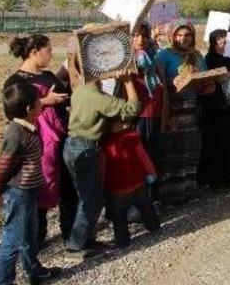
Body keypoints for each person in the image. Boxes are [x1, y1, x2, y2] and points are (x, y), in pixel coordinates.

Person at [4, 34, 76, 246]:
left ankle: (70, 232)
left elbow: (66, 94)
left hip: (61, 137)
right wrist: (44, 101)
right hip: (37, 143)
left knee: (67, 186)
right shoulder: (16, 81)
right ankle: (37, 237)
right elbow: (11, 112)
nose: (51, 54)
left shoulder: (48, 75)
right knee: (40, 188)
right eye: (48, 50)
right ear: (35, 52)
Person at [63, 74, 140, 261]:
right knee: (90, 200)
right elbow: (132, 109)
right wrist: (128, 82)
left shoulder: (80, 90)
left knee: (87, 197)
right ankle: (75, 247)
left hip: (73, 145)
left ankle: (86, 239)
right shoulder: (97, 97)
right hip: (85, 147)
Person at [0, 82, 60, 285]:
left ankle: (35, 271)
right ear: (30, 109)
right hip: (18, 194)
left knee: (29, 235)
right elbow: (2, 167)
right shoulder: (16, 133)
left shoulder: (27, 126)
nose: (42, 103)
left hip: (28, 192)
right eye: (39, 101)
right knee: (12, 240)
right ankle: (2, 281)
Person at [155, 20, 212, 205]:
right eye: (179, 35)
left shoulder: (196, 55)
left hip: (192, 108)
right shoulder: (163, 56)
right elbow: (159, 85)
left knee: (190, 150)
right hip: (173, 109)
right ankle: (170, 195)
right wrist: (175, 82)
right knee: (172, 151)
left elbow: (204, 79)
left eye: (187, 35)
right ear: (172, 36)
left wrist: (206, 83)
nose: (183, 39)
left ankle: (187, 191)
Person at [101, 121, 160, 249]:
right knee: (145, 206)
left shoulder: (105, 143)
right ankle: (154, 226)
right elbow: (143, 157)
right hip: (137, 182)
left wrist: (102, 185)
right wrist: (151, 172)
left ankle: (122, 241)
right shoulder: (132, 136)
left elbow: (103, 168)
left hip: (118, 187)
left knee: (119, 216)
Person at [200, 29, 230, 187]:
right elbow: (209, 80)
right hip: (216, 106)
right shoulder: (209, 59)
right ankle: (218, 178)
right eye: (220, 43)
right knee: (218, 141)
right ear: (213, 44)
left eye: (227, 42)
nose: (224, 45)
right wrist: (228, 74)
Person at [130, 23, 164, 197]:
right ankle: (140, 198)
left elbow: (161, 84)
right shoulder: (126, 59)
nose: (140, 40)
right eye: (136, 35)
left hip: (154, 111)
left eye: (144, 35)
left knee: (152, 155)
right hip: (138, 113)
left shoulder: (154, 56)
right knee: (138, 156)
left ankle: (152, 197)